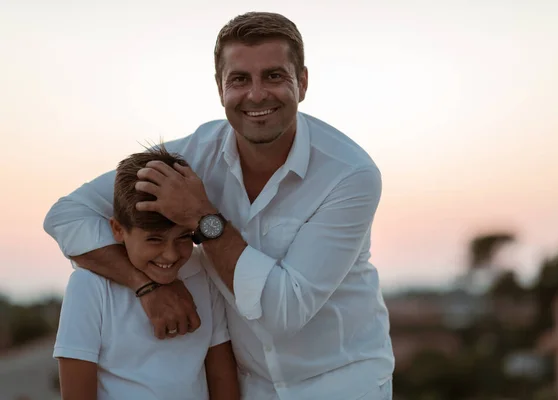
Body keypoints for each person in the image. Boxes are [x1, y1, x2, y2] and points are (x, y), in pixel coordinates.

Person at [44, 11, 395, 400]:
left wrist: (202, 218)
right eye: (240, 79)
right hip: (251, 387)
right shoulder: (194, 155)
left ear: (304, 82)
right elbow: (66, 215)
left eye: (274, 76)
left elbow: (283, 314)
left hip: (341, 381)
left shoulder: (350, 175)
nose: (257, 94)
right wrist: (144, 285)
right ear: (219, 88)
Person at [52, 146, 240, 400]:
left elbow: (221, 375)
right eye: (154, 239)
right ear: (118, 229)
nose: (171, 255)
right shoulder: (89, 284)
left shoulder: (202, 273)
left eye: (183, 237)